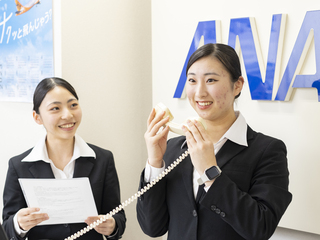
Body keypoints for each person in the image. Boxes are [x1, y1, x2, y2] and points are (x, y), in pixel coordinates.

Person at [136, 43, 292, 240]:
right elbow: (152, 227)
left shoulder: (268, 151)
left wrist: (210, 172)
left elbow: (260, 228)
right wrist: (155, 163)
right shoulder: (174, 148)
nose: (200, 92)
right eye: (192, 80)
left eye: (210, 80)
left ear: (237, 85)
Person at [2, 77, 126, 240]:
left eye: (73, 105)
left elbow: (118, 217)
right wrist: (19, 224)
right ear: (37, 117)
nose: (68, 115)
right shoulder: (19, 165)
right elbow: (7, 227)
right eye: (55, 108)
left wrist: (112, 226)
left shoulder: (103, 159)